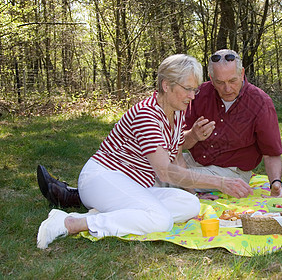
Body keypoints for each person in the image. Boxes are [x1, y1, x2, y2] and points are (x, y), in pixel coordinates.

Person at [36, 54, 253, 249]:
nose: (193, 96)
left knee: (190, 205)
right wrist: (221, 183)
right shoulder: (146, 115)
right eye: (187, 89)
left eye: (194, 89)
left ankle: (110, 214)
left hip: (135, 185)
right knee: (161, 220)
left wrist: (193, 192)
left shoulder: (176, 113)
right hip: (102, 178)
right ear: (166, 85)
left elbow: (176, 156)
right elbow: (166, 172)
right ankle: (71, 222)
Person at [182, 49, 282, 198]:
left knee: (166, 178)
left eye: (232, 81)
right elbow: (177, 143)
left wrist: (276, 183)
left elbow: (271, 153)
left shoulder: (260, 102)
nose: (227, 88)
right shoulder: (200, 94)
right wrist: (193, 136)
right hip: (195, 162)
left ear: (242, 73)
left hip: (231, 172)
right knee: (149, 166)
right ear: (211, 78)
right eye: (219, 82)